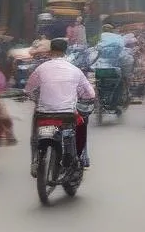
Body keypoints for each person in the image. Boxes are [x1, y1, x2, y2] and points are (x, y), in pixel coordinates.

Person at [25, 38, 96, 171]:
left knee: (35, 133)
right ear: (66, 51)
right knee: (81, 126)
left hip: (43, 114)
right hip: (67, 114)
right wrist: (83, 97)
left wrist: (33, 97)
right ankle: (81, 158)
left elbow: (28, 89)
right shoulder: (75, 70)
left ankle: (34, 161)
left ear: (50, 51)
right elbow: (90, 94)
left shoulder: (41, 68)